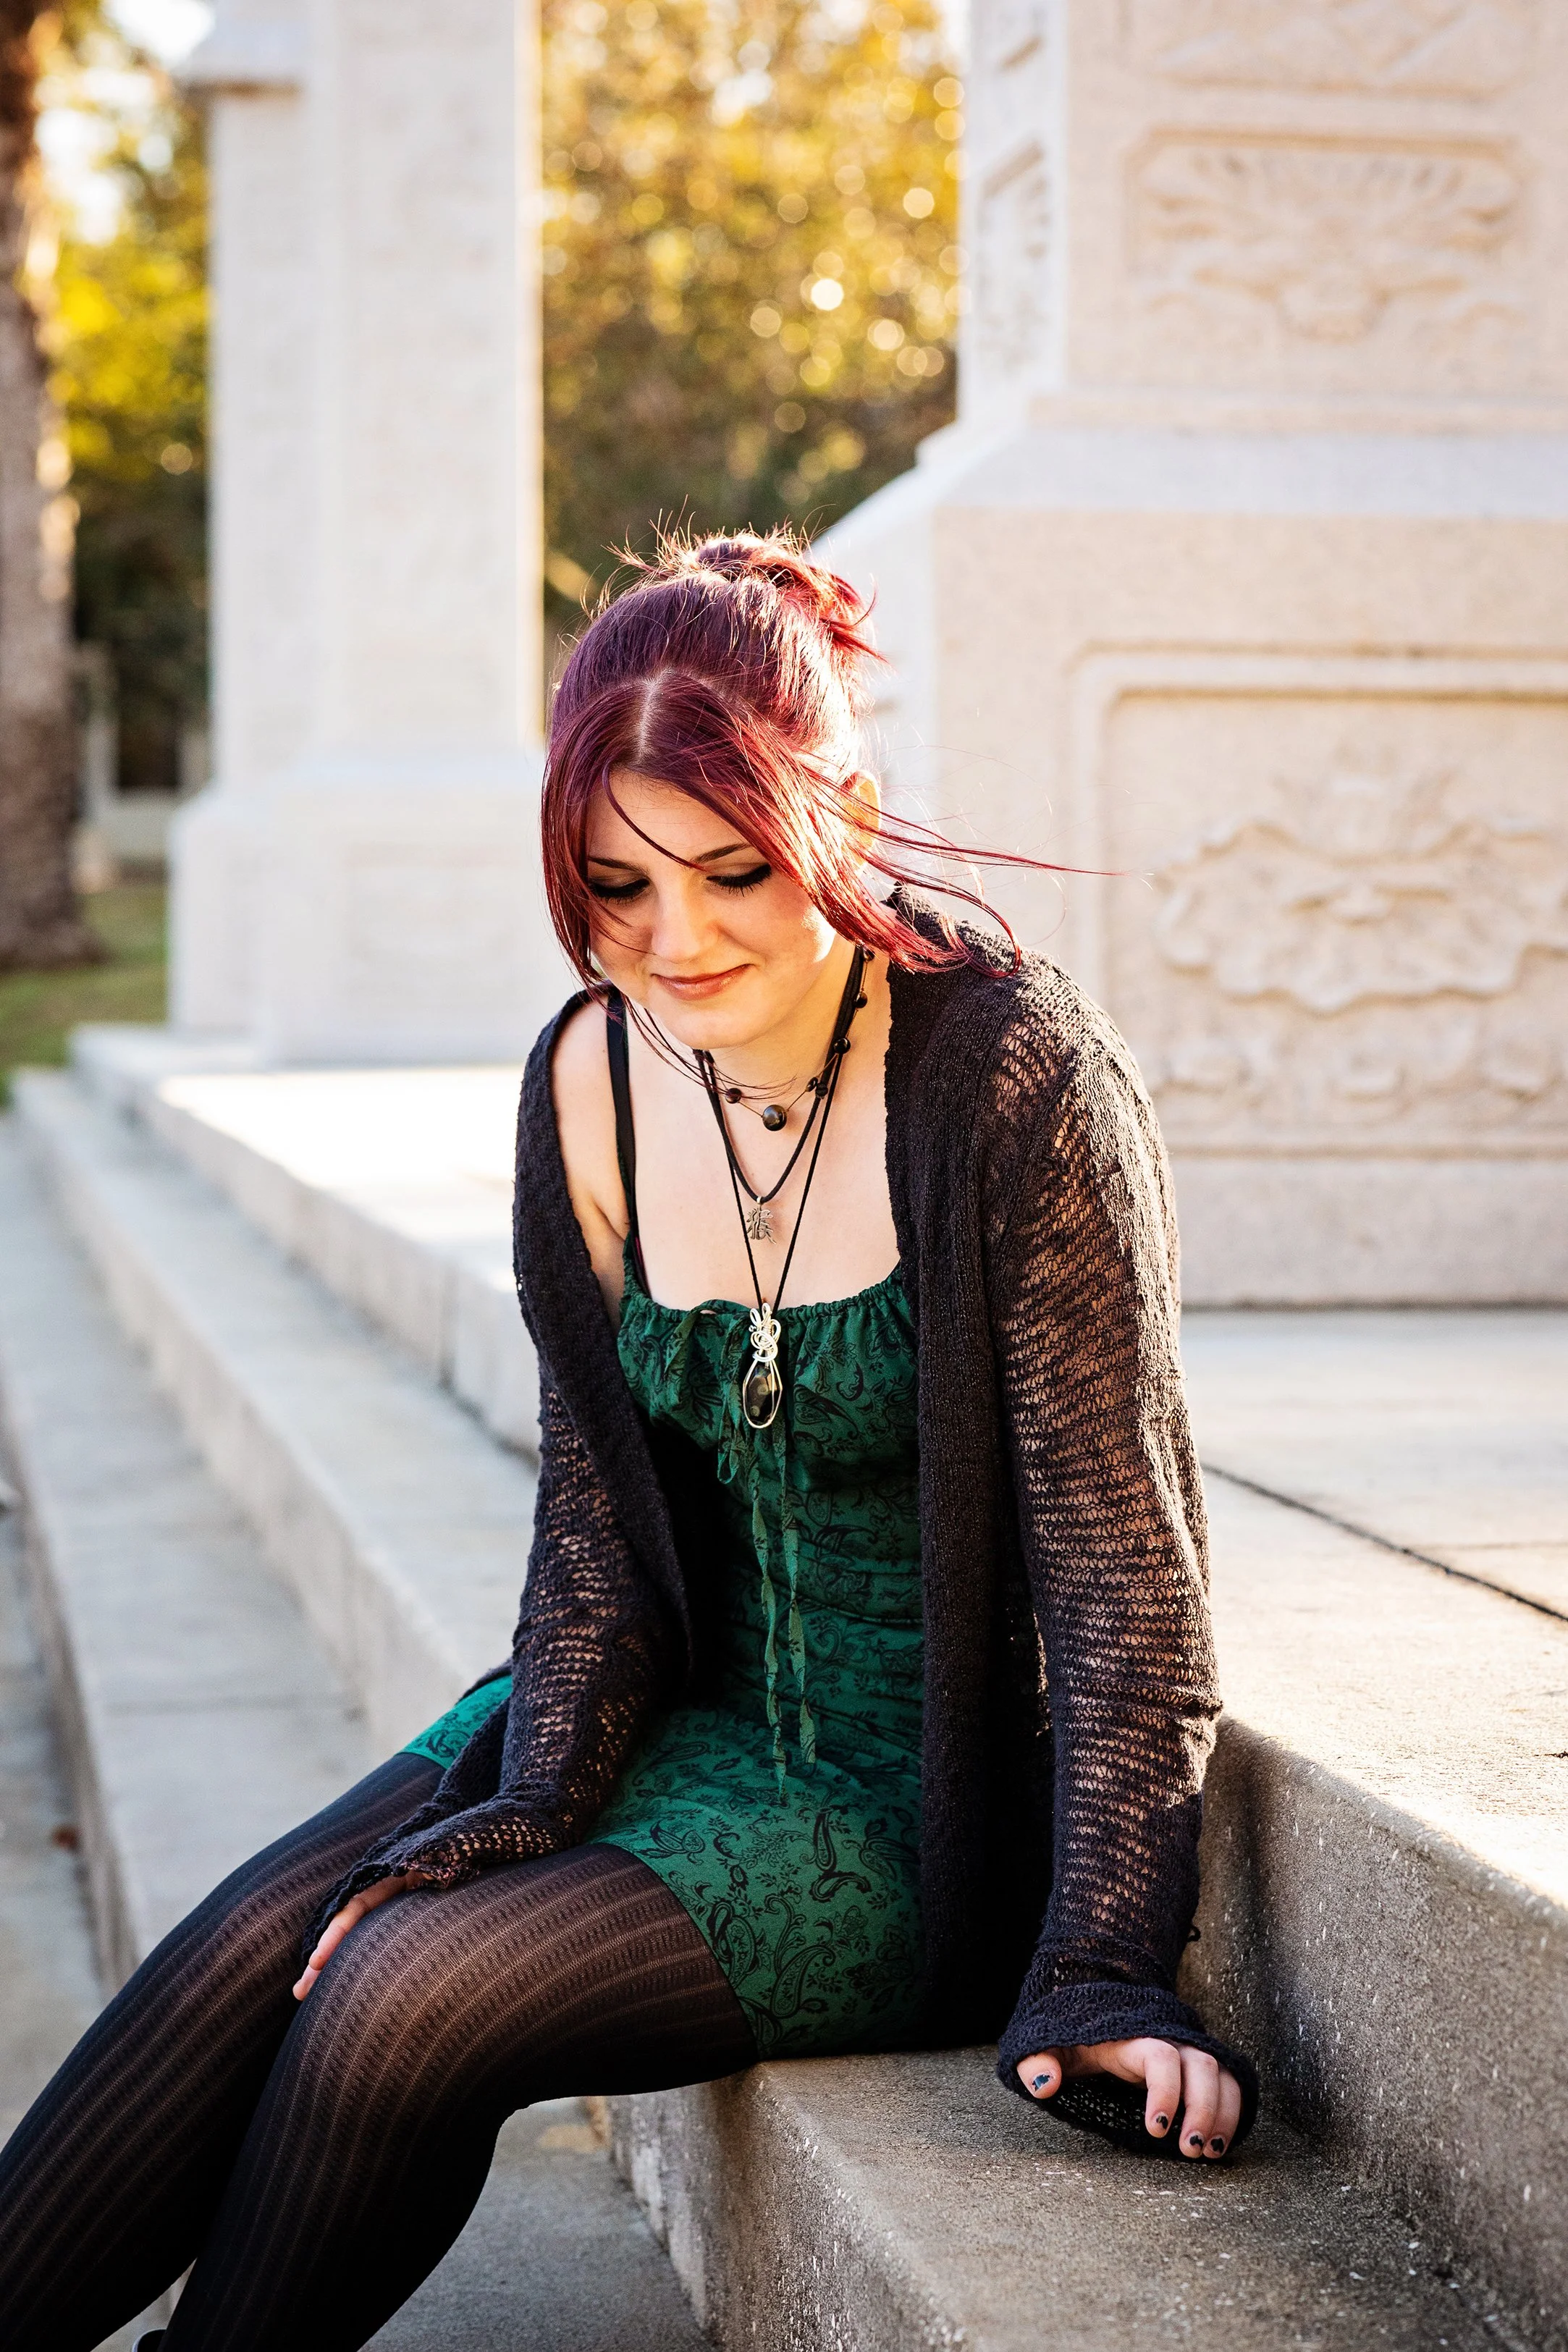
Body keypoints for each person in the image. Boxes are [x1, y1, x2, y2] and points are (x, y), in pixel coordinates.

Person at [0, 531, 1255, 2351]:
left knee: (399, 2000)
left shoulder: (1013, 1075)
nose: (677, 941)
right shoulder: (588, 1078)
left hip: (902, 1800)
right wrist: (520, 1805)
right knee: (246, 1953)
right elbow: (597, 1516)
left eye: (734, 870)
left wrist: (1109, 1959)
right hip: (671, 1714)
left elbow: (1124, 1565)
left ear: (844, 813)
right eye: (614, 884)